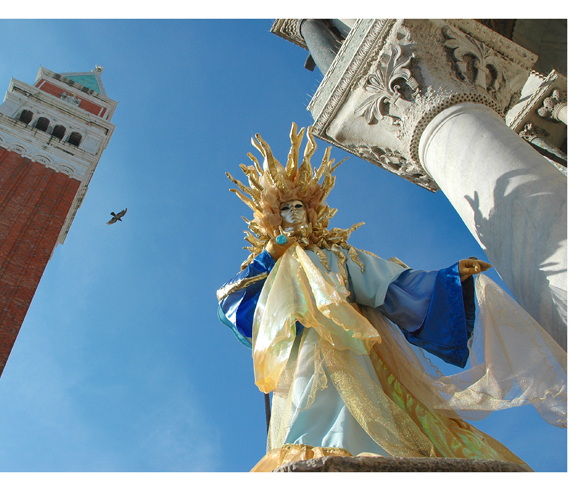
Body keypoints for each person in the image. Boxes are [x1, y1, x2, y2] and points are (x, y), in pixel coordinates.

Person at [217, 124, 566, 472]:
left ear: (311, 212)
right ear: (274, 222)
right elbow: (237, 304)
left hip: (356, 345)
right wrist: (269, 256)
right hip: (304, 346)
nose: (294, 215)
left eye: (299, 208)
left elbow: (391, 287)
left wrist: (449, 280)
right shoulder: (272, 265)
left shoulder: (337, 256)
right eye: (286, 211)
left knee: (372, 400)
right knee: (311, 396)